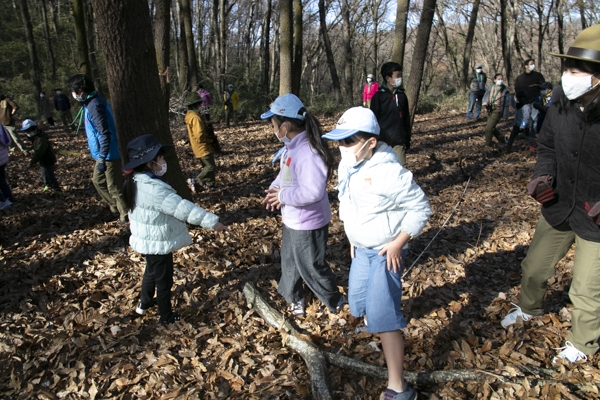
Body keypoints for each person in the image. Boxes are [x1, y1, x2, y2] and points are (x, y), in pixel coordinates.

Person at [500, 24, 600, 364]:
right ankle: (529, 308)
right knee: (533, 269)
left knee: (586, 289)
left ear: (597, 77)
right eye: (566, 69)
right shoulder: (560, 99)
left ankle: (583, 344)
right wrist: (543, 176)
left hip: (596, 216)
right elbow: (547, 146)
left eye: (575, 71)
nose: (567, 76)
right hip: (559, 204)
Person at [322, 107, 431, 400]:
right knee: (357, 305)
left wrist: (398, 243)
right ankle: (377, 322)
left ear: (370, 142)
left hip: (386, 250)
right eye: (339, 142)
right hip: (362, 248)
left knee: (383, 317)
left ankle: (399, 387)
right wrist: (352, 237)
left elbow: (421, 208)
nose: (341, 148)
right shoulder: (348, 166)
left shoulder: (388, 171)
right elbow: (347, 204)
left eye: (348, 141)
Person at [122, 134, 227, 324]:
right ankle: (166, 316)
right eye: (161, 158)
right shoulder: (155, 190)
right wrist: (212, 222)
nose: (164, 162)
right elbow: (184, 209)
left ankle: (143, 304)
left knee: (151, 272)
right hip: (158, 241)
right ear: (149, 163)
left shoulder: (136, 181)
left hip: (147, 239)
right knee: (164, 281)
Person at [261, 93, 345, 317]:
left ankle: (336, 302)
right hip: (292, 219)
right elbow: (284, 176)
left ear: (285, 125)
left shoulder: (308, 152)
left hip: (308, 223)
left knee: (311, 265)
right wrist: (274, 189)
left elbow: (313, 192)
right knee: (290, 261)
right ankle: (294, 297)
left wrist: (282, 197)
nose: (273, 130)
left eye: (273, 125)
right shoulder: (291, 148)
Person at [67, 74, 127, 223]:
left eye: (73, 91)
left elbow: (104, 133)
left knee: (114, 186)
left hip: (109, 153)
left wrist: (102, 156)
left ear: (80, 90)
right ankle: (115, 208)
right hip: (102, 153)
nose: (73, 94)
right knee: (98, 181)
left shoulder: (95, 105)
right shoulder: (89, 103)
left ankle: (124, 214)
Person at [370, 62, 412, 166]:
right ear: (388, 78)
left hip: (399, 140)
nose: (400, 79)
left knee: (401, 169)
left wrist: (407, 138)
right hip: (382, 142)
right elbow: (373, 120)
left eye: (400, 76)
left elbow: (406, 118)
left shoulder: (402, 96)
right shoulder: (378, 97)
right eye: (397, 76)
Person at [507, 59, 545, 151]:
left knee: (534, 121)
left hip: (535, 102)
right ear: (526, 66)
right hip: (524, 104)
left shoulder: (538, 76)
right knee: (522, 123)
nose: (533, 65)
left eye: (533, 63)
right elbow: (517, 90)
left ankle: (532, 143)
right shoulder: (520, 78)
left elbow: (543, 86)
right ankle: (510, 145)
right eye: (531, 64)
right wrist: (522, 100)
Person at [184, 92, 217, 191]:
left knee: (206, 166)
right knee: (211, 166)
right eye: (199, 103)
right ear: (195, 104)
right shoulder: (195, 117)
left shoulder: (190, 115)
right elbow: (199, 135)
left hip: (198, 146)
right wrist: (209, 140)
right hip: (202, 146)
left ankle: (210, 185)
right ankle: (197, 180)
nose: (200, 105)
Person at [21, 119, 60, 191]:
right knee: (44, 175)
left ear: (35, 129)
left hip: (48, 160)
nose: (28, 133)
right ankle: (47, 185)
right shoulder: (35, 138)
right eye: (27, 131)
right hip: (43, 161)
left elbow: (39, 151)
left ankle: (56, 188)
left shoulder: (41, 139)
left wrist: (33, 161)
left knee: (49, 175)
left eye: (30, 131)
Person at [481, 73, 510, 148]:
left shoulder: (505, 90)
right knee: (491, 127)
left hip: (498, 110)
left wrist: (505, 115)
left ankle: (488, 143)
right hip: (490, 109)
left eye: (501, 79)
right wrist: (485, 103)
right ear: (494, 80)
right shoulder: (490, 88)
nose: (500, 81)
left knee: (489, 128)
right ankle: (502, 138)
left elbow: (506, 103)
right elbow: (485, 97)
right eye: (498, 79)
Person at [0, 124, 14, 209]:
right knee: (2, 181)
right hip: (3, 158)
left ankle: (3, 201)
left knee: (1, 181)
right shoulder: (1, 126)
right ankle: (9, 199)